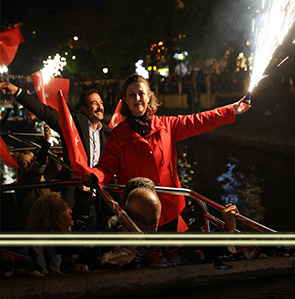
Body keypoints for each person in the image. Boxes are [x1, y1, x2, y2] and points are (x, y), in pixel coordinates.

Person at [87, 74, 251, 231]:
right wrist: (94, 175)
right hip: (139, 213)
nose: (137, 98)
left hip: (170, 210)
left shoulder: (167, 125)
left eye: (141, 93)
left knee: (169, 254)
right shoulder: (118, 135)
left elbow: (199, 121)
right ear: (126, 100)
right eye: (132, 94)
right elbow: (107, 167)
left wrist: (231, 110)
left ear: (149, 97)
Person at [1, 82, 112, 231]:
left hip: (99, 199)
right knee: (71, 244)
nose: (100, 106)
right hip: (74, 197)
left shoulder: (108, 133)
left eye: (101, 102)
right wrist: (17, 92)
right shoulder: (73, 122)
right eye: (94, 103)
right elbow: (44, 111)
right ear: (84, 109)